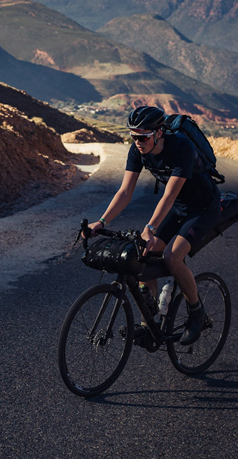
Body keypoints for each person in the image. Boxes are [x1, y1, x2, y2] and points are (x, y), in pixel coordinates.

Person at [88, 106, 221, 345]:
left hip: (203, 208)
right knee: (144, 254)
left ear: (159, 133)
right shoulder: (137, 151)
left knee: (172, 256)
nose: (138, 142)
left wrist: (149, 227)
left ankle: (197, 312)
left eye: (143, 136)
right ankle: (148, 323)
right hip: (179, 209)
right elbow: (125, 191)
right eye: (133, 136)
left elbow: (168, 195)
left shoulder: (181, 148)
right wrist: (102, 221)